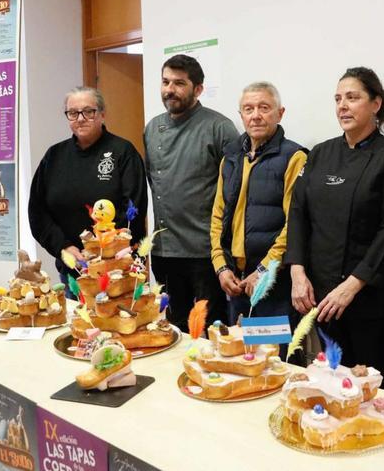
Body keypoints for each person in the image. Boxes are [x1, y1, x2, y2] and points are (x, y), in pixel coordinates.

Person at [285, 67, 384, 386]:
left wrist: (352, 285)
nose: (342, 105)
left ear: (375, 104)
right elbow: (298, 212)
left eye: (352, 98)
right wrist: (297, 273)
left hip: (366, 297)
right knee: (328, 377)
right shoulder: (320, 154)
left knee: (366, 381)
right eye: (338, 99)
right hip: (320, 295)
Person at [144, 55, 239, 331]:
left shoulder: (220, 128)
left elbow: (234, 193)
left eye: (179, 83)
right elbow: (154, 181)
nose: (169, 89)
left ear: (198, 89)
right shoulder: (152, 129)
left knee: (211, 329)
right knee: (174, 330)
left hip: (206, 253)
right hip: (165, 252)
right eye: (165, 82)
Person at [210, 82, 307, 349]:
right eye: (248, 109)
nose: (256, 115)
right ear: (240, 114)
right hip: (237, 282)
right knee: (243, 357)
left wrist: (264, 271)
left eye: (264, 108)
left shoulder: (294, 157)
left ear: (280, 113)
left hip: (273, 285)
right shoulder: (230, 157)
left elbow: (295, 224)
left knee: (273, 362)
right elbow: (218, 216)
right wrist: (221, 266)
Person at [29, 87, 147, 297]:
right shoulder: (54, 156)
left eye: (88, 112)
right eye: (73, 113)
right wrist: (64, 247)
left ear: (102, 114)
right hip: (74, 269)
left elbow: (133, 209)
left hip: (118, 269)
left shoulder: (123, 152)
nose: (80, 119)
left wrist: (98, 250)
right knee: (82, 327)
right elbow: (38, 211)